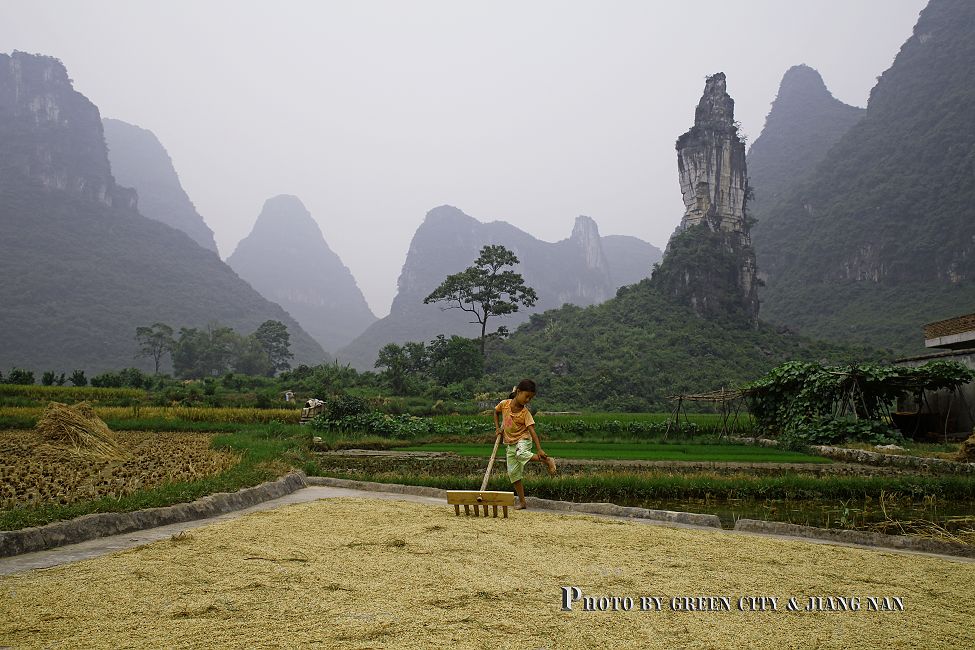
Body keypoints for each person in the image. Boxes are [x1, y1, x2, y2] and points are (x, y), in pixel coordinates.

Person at [494, 378, 556, 510]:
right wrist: (497, 429)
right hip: (510, 443)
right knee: (513, 475)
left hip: (523, 440)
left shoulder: (525, 413)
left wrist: (539, 449)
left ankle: (547, 461)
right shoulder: (504, 404)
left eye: (530, 398)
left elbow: (532, 431)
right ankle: (522, 502)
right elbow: (496, 412)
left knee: (520, 453)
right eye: (526, 396)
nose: (527, 400)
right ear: (518, 392)